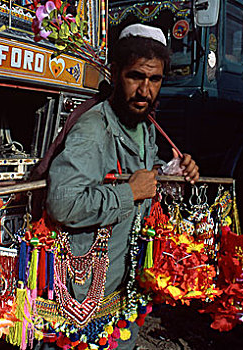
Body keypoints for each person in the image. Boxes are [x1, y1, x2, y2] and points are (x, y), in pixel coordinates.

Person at [44, 24, 199, 349]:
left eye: (154, 80)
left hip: (124, 289)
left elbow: (146, 180)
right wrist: (129, 192)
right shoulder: (93, 130)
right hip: (83, 297)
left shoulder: (146, 127)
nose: (145, 91)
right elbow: (62, 203)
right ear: (116, 73)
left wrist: (172, 172)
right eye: (135, 77)